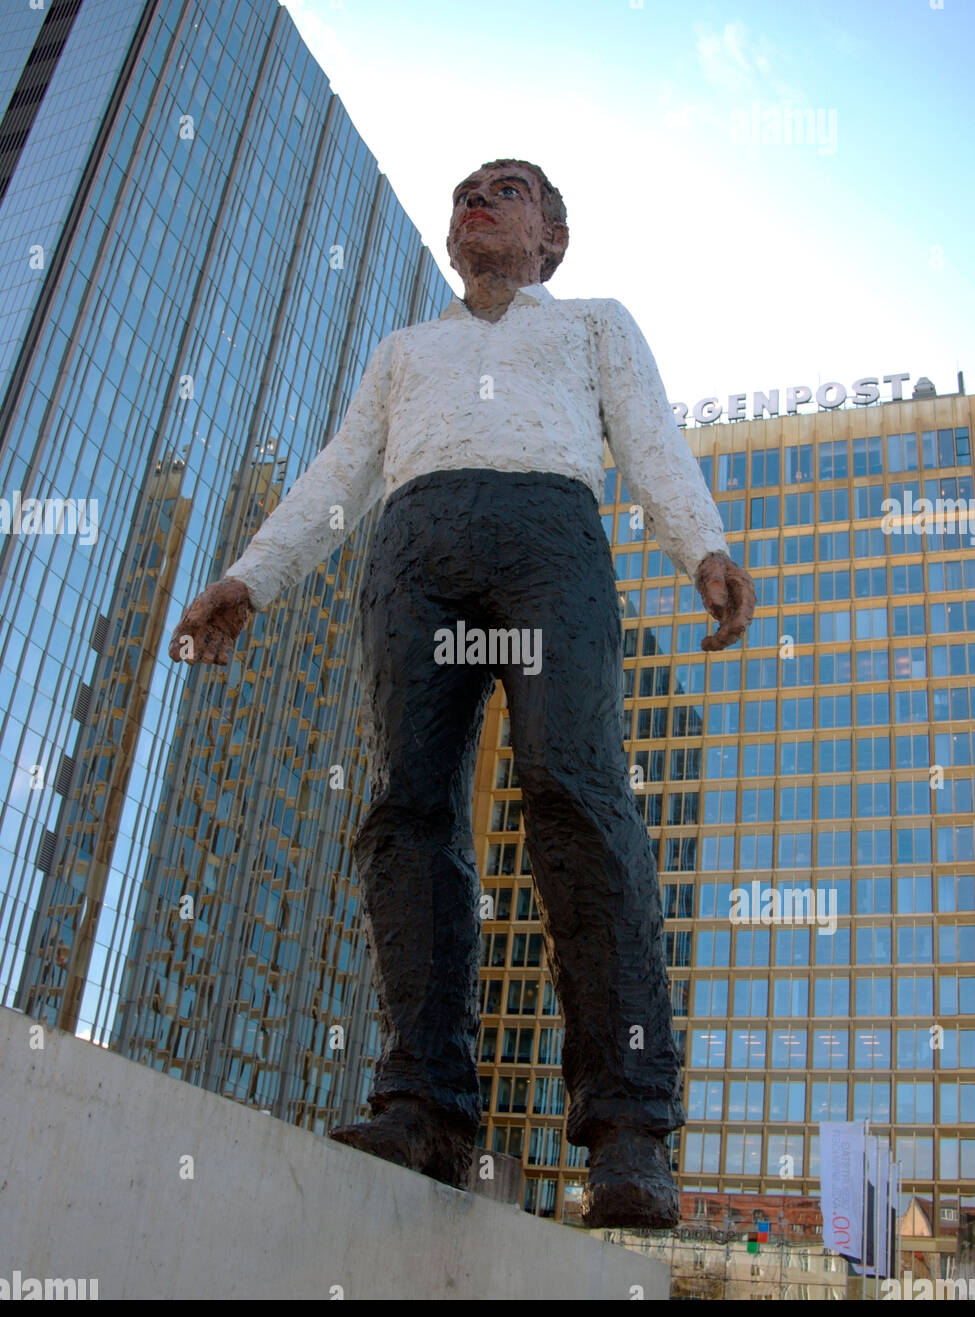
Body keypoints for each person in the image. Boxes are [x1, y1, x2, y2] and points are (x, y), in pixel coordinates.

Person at [169, 159, 756, 1228]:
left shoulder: (592, 325)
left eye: (509, 188)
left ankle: (628, 1128)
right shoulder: (406, 350)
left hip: (549, 547)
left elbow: (650, 437)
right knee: (407, 807)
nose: (477, 197)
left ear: (552, 239)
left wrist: (702, 547)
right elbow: (342, 470)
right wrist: (251, 579)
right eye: (467, 190)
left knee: (574, 789)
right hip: (415, 556)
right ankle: (425, 1105)